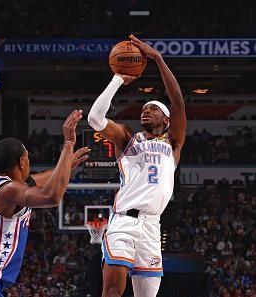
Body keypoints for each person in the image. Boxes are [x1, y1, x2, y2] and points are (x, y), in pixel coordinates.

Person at [0, 110, 90, 296]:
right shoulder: (9, 190)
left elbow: (37, 180)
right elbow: (52, 197)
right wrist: (69, 144)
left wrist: (66, 166)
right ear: (22, 162)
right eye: (28, 157)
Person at [88, 34, 187, 297]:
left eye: (153, 108)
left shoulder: (173, 144)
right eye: (144, 108)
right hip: (124, 223)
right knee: (112, 292)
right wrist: (118, 79)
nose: (146, 110)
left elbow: (178, 102)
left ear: (166, 120)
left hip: (152, 226)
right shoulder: (128, 140)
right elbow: (95, 118)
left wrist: (157, 58)